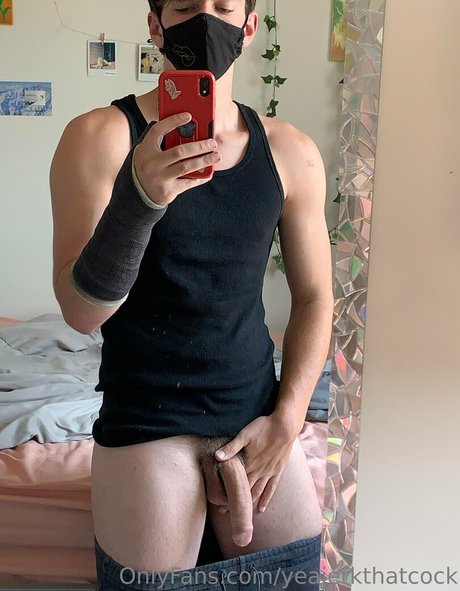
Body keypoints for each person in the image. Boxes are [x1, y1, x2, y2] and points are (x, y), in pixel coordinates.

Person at [50, 0, 334, 588]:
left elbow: (314, 298)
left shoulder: (292, 152)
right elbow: (81, 312)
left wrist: (288, 420)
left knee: (298, 578)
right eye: (184, 7)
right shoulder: (99, 137)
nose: (206, 21)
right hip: (148, 419)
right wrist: (141, 199)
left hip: (257, 414)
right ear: (156, 26)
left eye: (224, 7)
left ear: (249, 27)